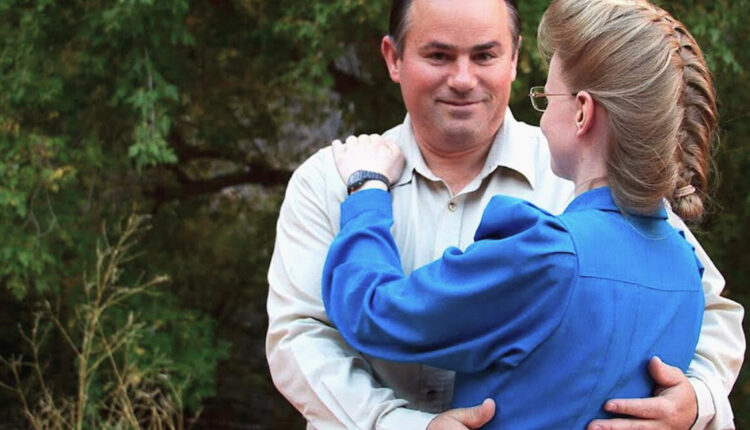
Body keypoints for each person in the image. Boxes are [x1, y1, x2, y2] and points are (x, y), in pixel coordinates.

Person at [265, 0, 745, 428]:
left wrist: (696, 402)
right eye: (439, 55)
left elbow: (717, 316)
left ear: (514, 57)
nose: (462, 79)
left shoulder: (573, 213)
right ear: (394, 58)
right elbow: (298, 336)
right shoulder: (325, 179)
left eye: (484, 55)